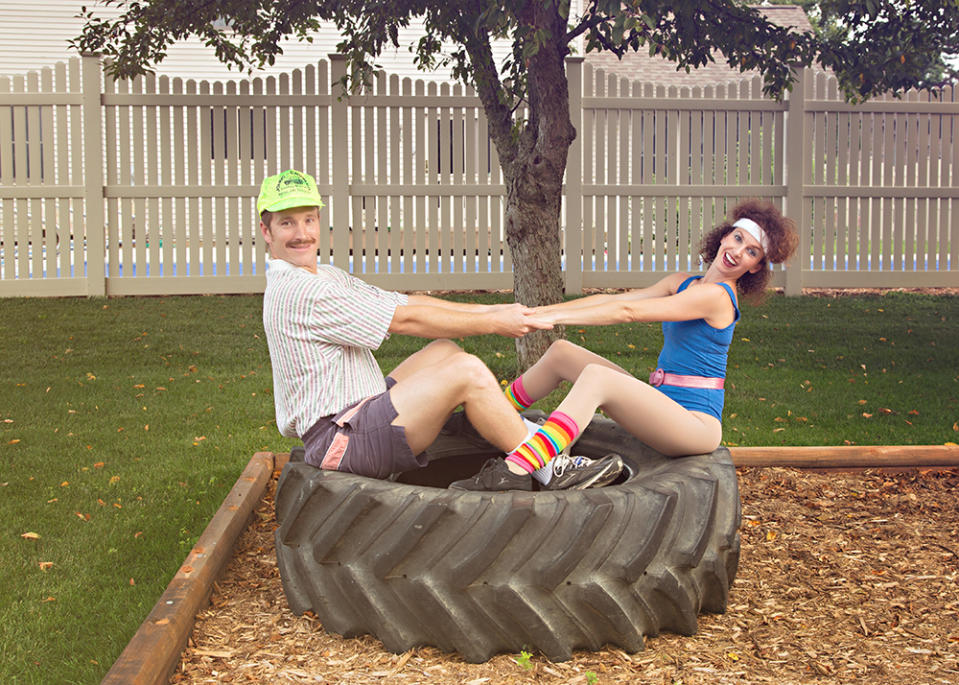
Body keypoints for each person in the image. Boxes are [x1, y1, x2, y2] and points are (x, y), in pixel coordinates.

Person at [258, 169, 623, 489]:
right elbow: (406, 320)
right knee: (466, 373)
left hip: (358, 413)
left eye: (308, 219)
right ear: (266, 230)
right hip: (341, 440)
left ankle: (481, 424)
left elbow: (403, 303)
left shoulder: (323, 275)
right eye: (287, 222)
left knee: (443, 350)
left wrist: (492, 308)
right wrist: (494, 322)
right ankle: (549, 469)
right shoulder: (302, 290)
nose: (301, 233)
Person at [450, 199, 798, 491]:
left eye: (751, 251)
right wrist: (539, 312)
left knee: (597, 378)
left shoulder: (716, 297)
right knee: (561, 353)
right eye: (737, 239)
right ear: (724, 236)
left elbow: (628, 311)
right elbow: (610, 299)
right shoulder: (684, 282)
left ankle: (513, 472)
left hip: (695, 425)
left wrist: (554, 319)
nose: (737, 252)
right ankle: (486, 418)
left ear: (755, 267)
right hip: (663, 403)